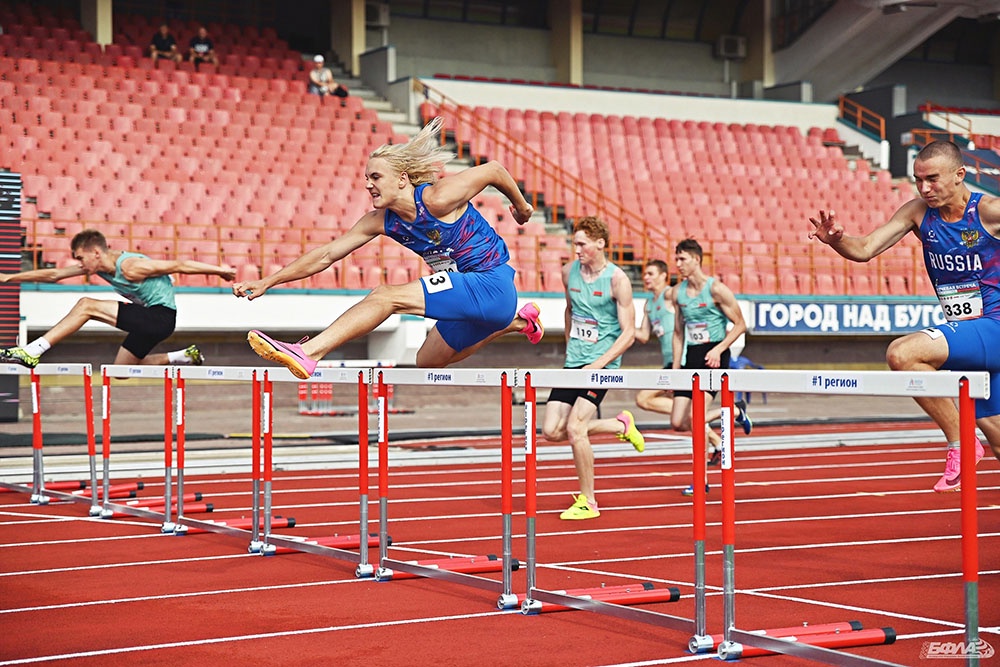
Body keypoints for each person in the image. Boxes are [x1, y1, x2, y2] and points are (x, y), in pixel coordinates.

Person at [233, 116, 544, 378]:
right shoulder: (382, 221)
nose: (368, 184)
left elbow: (494, 170)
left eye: (376, 176)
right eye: (366, 177)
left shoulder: (437, 198)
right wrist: (267, 281)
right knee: (427, 361)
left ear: (402, 179)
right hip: (479, 303)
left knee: (385, 296)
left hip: (491, 283)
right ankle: (517, 322)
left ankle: (309, 352)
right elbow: (326, 254)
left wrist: (523, 207)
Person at [809, 139, 1000, 491]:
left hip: (995, 327)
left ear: (960, 175)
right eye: (918, 180)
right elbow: (865, 248)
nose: (924, 188)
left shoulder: (989, 211)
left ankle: (961, 441)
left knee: (903, 353)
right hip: (970, 338)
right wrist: (836, 240)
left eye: (933, 179)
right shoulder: (917, 212)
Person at [0, 229, 234, 369]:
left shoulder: (131, 266)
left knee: (86, 306)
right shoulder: (97, 266)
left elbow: (180, 264)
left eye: (81, 258)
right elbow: (54, 274)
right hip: (150, 321)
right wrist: (9, 277)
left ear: (96, 253)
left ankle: (33, 350)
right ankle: (182, 356)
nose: (79, 265)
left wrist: (220, 271)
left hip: (159, 316)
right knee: (121, 370)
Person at [540, 216, 644, 521]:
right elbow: (570, 310)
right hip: (574, 362)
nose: (577, 250)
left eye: (582, 244)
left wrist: (598, 364)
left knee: (575, 428)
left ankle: (589, 501)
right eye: (574, 244)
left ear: (600, 243)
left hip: (602, 364)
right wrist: (571, 349)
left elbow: (628, 333)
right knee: (550, 431)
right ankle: (619, 425)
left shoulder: (617, 280)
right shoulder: (567, 273)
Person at [670, 238, 752, 496]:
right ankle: (735, 411)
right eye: (676, 259)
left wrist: (718, 349)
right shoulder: (678, 293)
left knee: (696, 419)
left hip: (714, 356)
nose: (678, 264)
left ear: (696, 259)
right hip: (690, 358)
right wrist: (674, 368)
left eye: (682, 259)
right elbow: (678, 332)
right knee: (677, 421)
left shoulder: (716, 290)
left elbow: (740, 324)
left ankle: (700, 479)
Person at [633, 259, 724, 464]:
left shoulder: (670, 295)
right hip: (669, 362)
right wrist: (621, 323)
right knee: (654, 405)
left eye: (651, 273)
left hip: (683, 361)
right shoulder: (650, 304)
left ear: (664, 275)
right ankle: (717, 437)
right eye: (645, 274)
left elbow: (684, 311)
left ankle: (722, 424)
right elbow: (644, 335)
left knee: (646, 398)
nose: (646, 277)